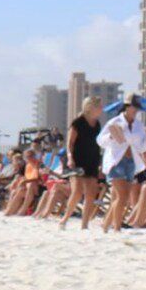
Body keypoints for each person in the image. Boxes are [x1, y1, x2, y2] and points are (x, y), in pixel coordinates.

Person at [99, 97, 146, 232]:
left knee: (120, 197)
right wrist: (112, 136)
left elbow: (143, 143)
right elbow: (100, 140)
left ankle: (105, 226)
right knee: (122, 196)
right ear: (127, 107)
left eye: (137, 107)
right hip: (116, 161)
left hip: (131, 162)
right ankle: (117, 227)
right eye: (134, 107)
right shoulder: (115, 122)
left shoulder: (139, 125)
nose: (136, 110)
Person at [57, 96, 104, 229]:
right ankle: (65, 218)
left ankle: (84, 224)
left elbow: (97, 144)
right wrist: (70, 157)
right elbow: (70, 143)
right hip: (77, 160)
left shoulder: (97, 124)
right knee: (77, 191)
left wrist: (100, 164)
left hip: (92, 159)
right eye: (99, 106)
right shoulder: (78, 122)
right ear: (90, 107)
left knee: (91, 193)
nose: (101, 109)